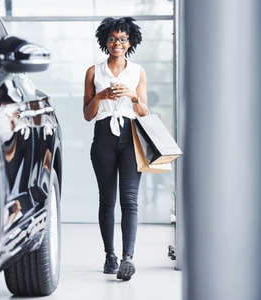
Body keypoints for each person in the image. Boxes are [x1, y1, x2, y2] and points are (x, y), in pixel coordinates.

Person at [83, 17, 149, 281]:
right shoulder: (93, 71)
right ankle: (110, 255)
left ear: (130, 41)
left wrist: (132, 96)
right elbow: (87, 115)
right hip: (103, 138)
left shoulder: (138, 72)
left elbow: (143, 111)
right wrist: (100, 96)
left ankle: (127, 258)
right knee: (107, 200)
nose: (117, 43)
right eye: (112, 39)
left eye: (122, 39)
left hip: (131, 136)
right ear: (105, 41)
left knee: (130, 200)